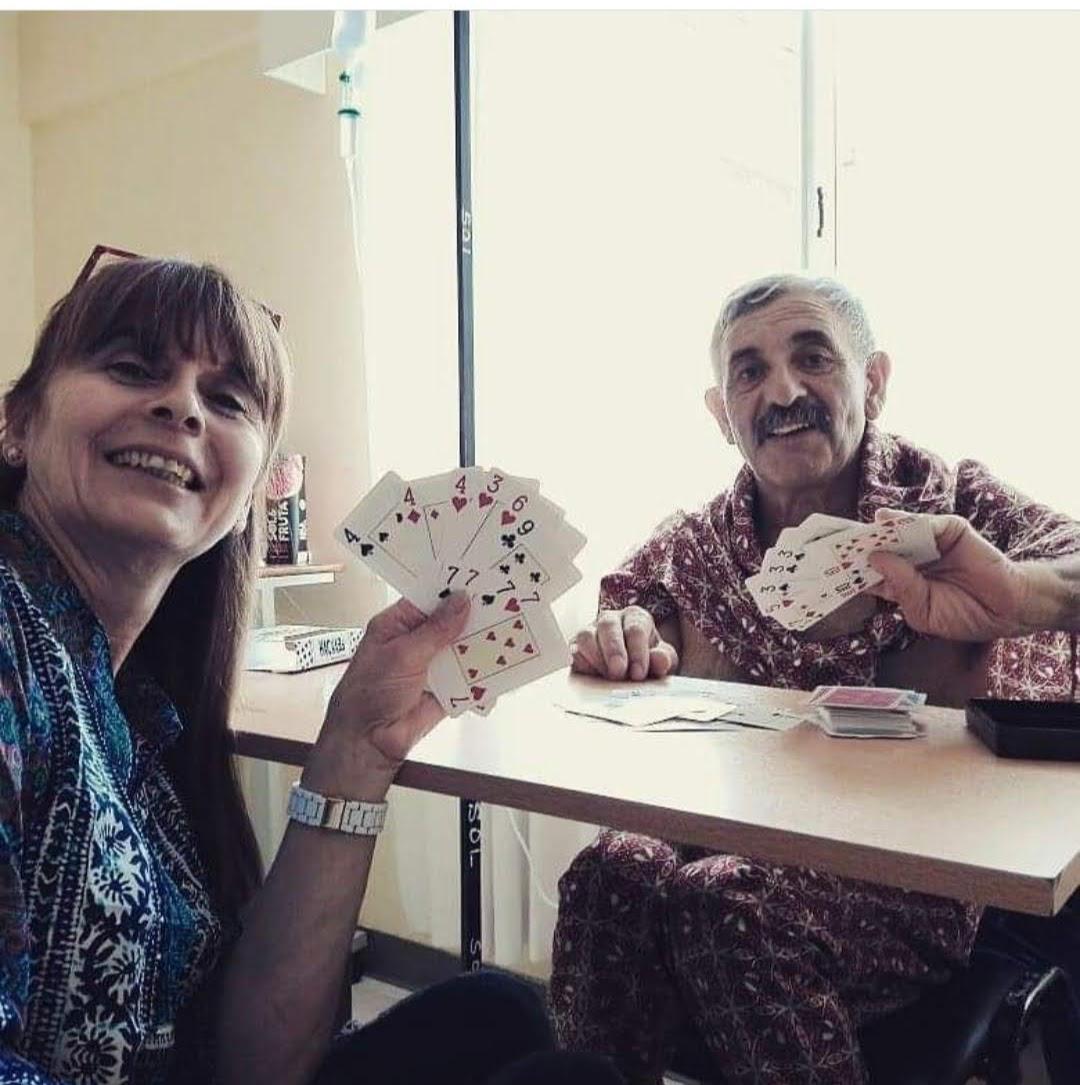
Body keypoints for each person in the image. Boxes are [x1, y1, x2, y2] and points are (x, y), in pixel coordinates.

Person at [0, 251, 625, 1085]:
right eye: (131, 368)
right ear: (16, 424)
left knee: (498, 1011)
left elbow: (248, 1061)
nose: (182, 406)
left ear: (253, 491)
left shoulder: (138, 700)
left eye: (227, 399)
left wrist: (356, 747)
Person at [551, 274, 1080, 1085]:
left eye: (813, 358)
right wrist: (622, 639)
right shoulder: (695, 546)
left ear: (874, 380)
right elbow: (626, 618)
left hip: (909, 875)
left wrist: (1016, 593)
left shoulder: (957, 507)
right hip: (726, 847)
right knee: (609, 870)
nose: (783, 391)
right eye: (750, 371)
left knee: (722, 898)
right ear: (722, 413)